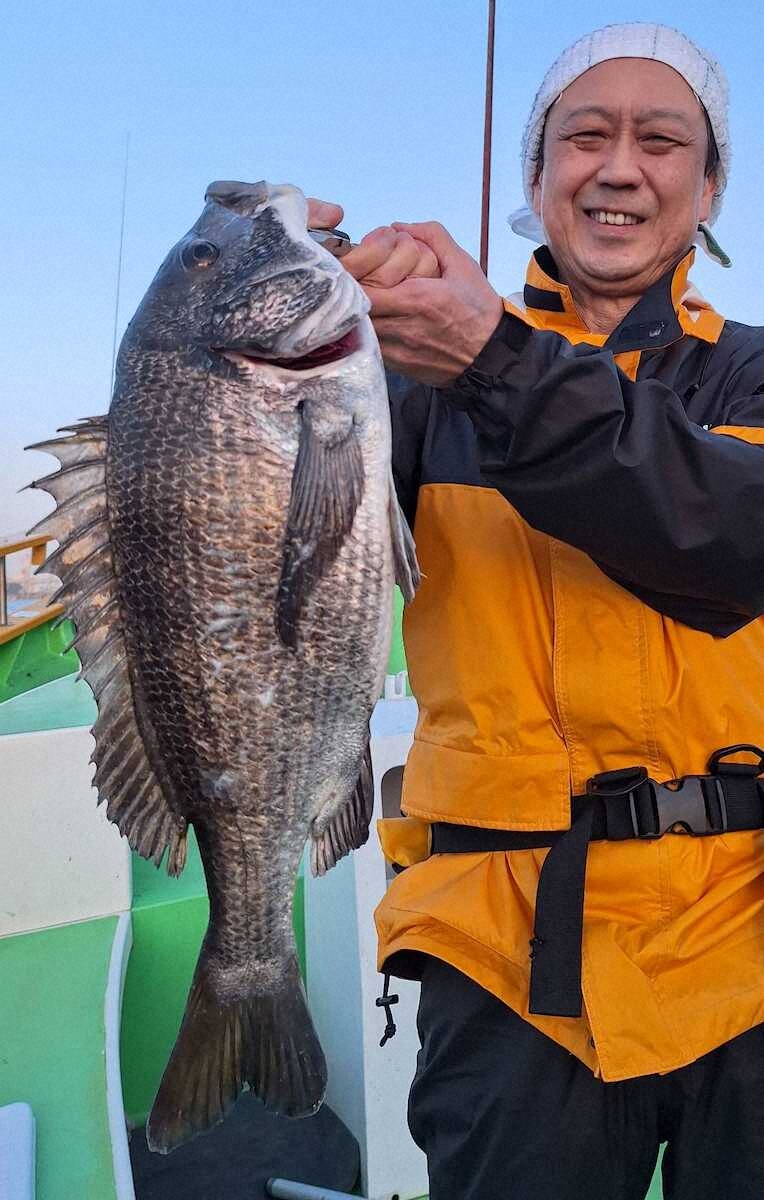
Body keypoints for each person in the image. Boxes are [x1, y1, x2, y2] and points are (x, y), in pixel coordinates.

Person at [311, 22, 764, 1200]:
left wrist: (495, 362)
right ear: (536, 176)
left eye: (661, 141)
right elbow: (273, 551)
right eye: (584, 137)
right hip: (503, 954)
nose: (618, 166)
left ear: (707, 187)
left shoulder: (751, 374)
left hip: (748, 934)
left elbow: (728, 535)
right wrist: (288, 327)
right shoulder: (405, 380)